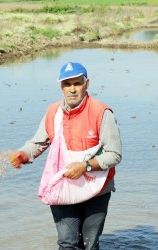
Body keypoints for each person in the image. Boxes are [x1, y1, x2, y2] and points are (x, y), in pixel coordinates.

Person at [9, 62, 122, 249]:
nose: (72, 90)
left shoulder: (101, 113)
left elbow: (114, 154)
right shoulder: (53, 112)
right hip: (63, 187)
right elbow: (38, 143)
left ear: (87, 84)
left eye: (77, 83)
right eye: (66, 84)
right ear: (61, 86)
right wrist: (23, 154)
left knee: (90, 244)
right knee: (67, 243)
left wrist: (84, 166)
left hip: (98, 190)